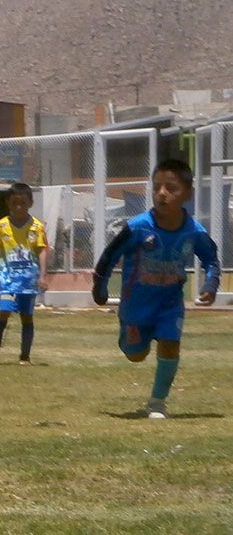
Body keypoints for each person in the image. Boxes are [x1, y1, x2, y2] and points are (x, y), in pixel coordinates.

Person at [92, 159, 219, 419]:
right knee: (136, 356)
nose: (162, 193)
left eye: (170, 188)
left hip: (170, 302)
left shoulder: (195, 232)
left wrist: (211, 284)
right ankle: (127, 335)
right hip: (136, 305)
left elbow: (211, 260)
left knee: (171, 344)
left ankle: (157, 403)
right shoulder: (138, 227)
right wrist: (100, 285)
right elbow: (109, 255)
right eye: (157, 187)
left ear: (188, 194)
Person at [0, 183, 48, 365]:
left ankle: (25, 356)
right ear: (8, 204)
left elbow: (42, 251)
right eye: (14, 203)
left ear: (30, 203)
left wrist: (43, 276)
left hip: (28, 281)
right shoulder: (2, 226)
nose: (18, 207)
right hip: (8, 280)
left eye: (23, 203)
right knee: (3, 311)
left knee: (27, 316)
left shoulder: (37, 227)